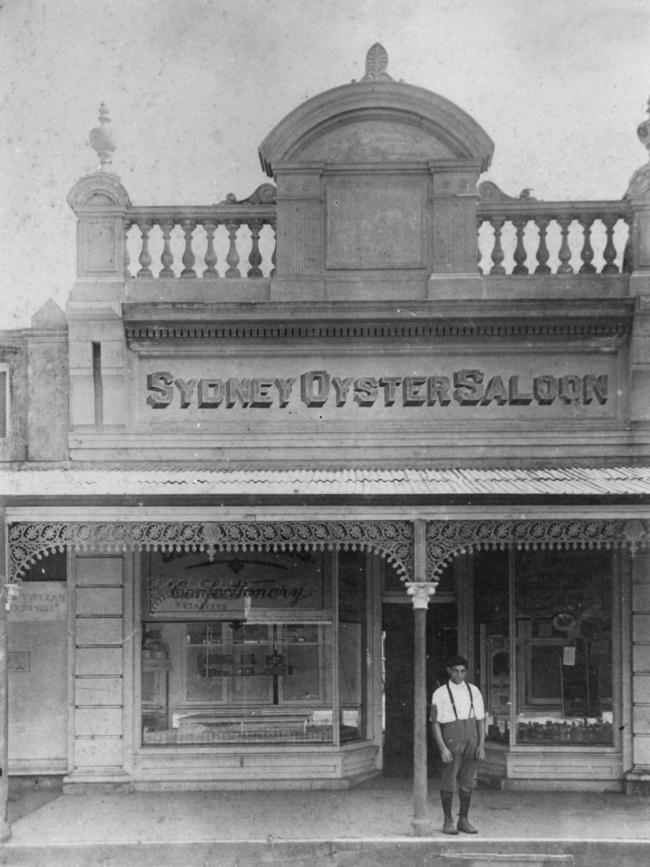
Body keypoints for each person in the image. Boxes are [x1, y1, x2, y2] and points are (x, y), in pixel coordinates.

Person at [431, 654, 485, 835]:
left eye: (462, 671)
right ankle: (448, 821)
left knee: (468, 780)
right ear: (449, 671)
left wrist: (481, 745)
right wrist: (442, 748)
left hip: (471, 736)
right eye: (455, 671)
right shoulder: (440, 693)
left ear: (466, 672)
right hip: (452, 736)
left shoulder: (474, 691)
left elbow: (480, 720)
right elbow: (435, 723)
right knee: (449, 779)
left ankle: (463, 819)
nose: (459, 675)